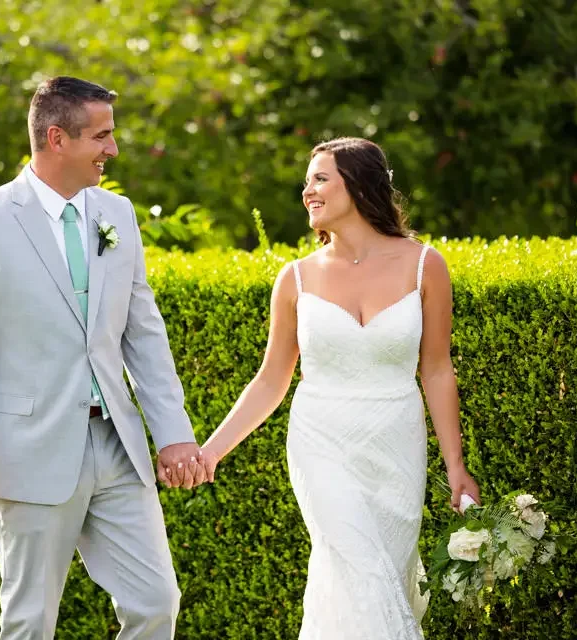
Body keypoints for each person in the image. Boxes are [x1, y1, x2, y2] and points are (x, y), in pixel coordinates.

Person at [0, 76, 206, 640]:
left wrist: (174, 432)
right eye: (101, 137)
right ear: (57, 138)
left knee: (157, 603)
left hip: (117, 445)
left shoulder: (118, 214)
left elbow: (143, 334)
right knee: (30, 622)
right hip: (28, 449)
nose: (113, 149)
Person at [196, 137, 480, 638]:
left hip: (396, 449)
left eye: (320, 178)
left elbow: (436, 370)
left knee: (380, 578)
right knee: (358, 570)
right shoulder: (296, 278)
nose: (308, 191)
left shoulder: (425, 265)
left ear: (360, 184)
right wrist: (212, 451)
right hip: (321, 444)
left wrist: (455, 465)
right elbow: (270, 379)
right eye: (307, 181)